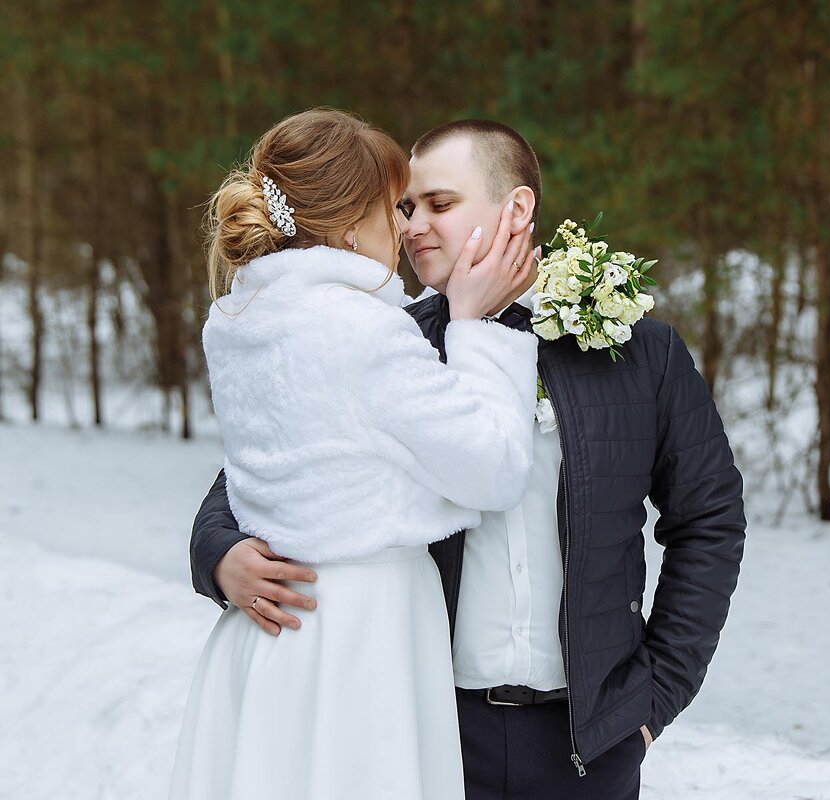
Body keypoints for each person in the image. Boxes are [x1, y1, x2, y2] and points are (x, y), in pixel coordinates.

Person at [189, 119, 746, 800]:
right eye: (404, 206)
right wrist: (219, 554)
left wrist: (653, 700)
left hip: (588, 745)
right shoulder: (391, 337)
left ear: (515, 210)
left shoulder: (640, 353)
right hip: (423, 726)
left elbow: (709, 520)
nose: (411, 225)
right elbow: (269, 466)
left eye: (439, 205)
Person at [169, 108, 540, 800]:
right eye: (392, 207)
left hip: (272, 634)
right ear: (346, 226)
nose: (406, 227)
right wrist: (475, 330)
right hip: (360, 637)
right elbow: (494, 469)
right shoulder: (365, 332)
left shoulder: (238, 320)